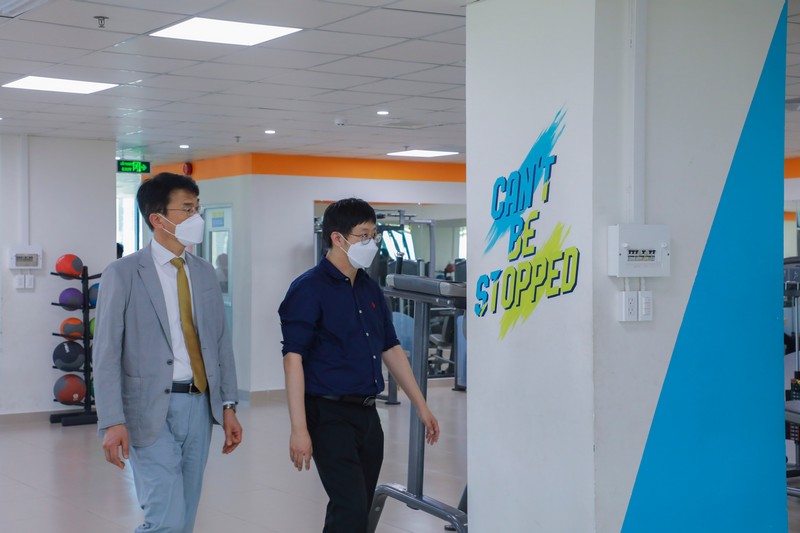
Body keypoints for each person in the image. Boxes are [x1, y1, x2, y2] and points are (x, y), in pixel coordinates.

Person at [279, 197, 440, 533]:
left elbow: (390, 348)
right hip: (328, 414)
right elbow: (293, 359)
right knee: (350, 507)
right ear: (337, 238)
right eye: (364, 235)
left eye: (374, 235)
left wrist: (421, 405)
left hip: (367, 414)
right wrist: (299, 429)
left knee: (358, 508)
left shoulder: (369, 288)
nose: (372, 242)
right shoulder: (308, 289)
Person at [94, 172, 243, 533]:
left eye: (197, 208)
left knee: (185, 516)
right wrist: (112, 421)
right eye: (187, 209)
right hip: (148, 408)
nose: (197, 217)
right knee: (167, 520)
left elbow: (220, 343)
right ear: (157, 219)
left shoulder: (204, 273)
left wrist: (228, 405)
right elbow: (106, 353)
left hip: (199, 406)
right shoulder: (123, 273)